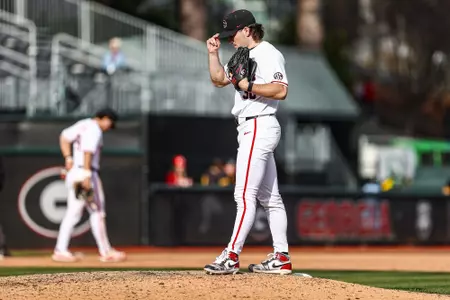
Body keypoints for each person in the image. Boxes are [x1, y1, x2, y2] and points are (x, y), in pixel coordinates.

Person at [204, 9, 291, 275]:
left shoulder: (268, 53)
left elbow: (281, 90)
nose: (230, 39)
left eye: (233, 33)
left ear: (247, 30)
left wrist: (248, 86)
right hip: (252, 126)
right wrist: (212, 54)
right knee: (270, 198)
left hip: (259, 124)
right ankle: (281, 258)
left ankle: (231, 255)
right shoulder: (243, 54)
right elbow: (219, 80)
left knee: (244, 195)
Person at [52, 108, 126, 263]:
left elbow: (64, 137)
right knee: (97, 211)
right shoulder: (94, 128)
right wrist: (87, 175)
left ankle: (60, 249)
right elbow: (88, 151)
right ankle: (105, 251)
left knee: (73, 213)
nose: (108, 127)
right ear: (105, 118)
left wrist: (68, 159)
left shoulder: (83, 124)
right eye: (109, 123)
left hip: (75, 172)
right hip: (86, 172)